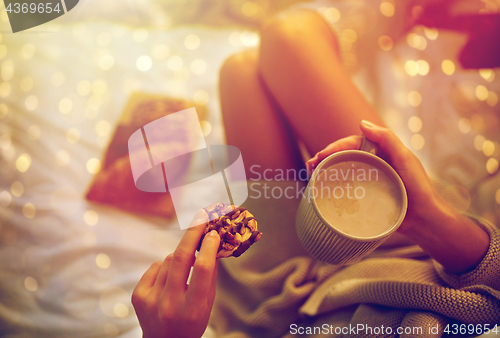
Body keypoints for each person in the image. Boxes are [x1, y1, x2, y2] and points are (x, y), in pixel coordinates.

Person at [132, 6, 500, 338]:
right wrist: (430, 219)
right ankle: (393, 12)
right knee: (285, 36)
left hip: (275, 303)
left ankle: (388, 13)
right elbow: (493, 298)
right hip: (414, 253)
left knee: (241, 68)